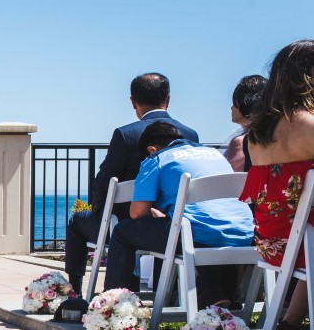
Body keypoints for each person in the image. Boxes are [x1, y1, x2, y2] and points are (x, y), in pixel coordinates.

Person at [64, 73, 200, 292]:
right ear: (168, 98)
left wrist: (100, 210)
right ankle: (165, 293)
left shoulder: (125, 135)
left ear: (132, 101)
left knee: (76, 221)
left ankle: (75, 290)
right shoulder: (190, 135)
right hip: (170, 222)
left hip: (122, 221)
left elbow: (105, 182)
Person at [103, 121, 254, 306]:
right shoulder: (214, 154)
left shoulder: (157, 158)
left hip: (196, 236)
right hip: (245, 232)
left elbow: (136, 212)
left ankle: (114, 304)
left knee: (122, 231)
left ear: (151, 149)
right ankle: (217, 294)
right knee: (199, 226)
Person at [240, 41, 314, 330]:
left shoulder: (258, 132)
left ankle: (290, 324)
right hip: (303, 243)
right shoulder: (307, 125)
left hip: (274, 241)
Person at [223, 74, 267, 172]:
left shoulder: (240, 142)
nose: (231, 107)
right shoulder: (270, 137)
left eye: (235, 102)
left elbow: (230, 180)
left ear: (245, 102)